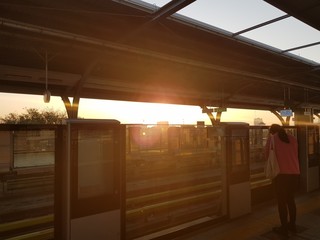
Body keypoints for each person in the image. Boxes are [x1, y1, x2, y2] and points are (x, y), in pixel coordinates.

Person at [265, 124, 300, 237]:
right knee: (290, 200)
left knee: (281, 202)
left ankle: (284, 229)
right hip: (295, 173)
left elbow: (266, 155)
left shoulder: (272, 139)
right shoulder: (293, 139)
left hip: (281, 175)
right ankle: (292, 225)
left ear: (272, 132)